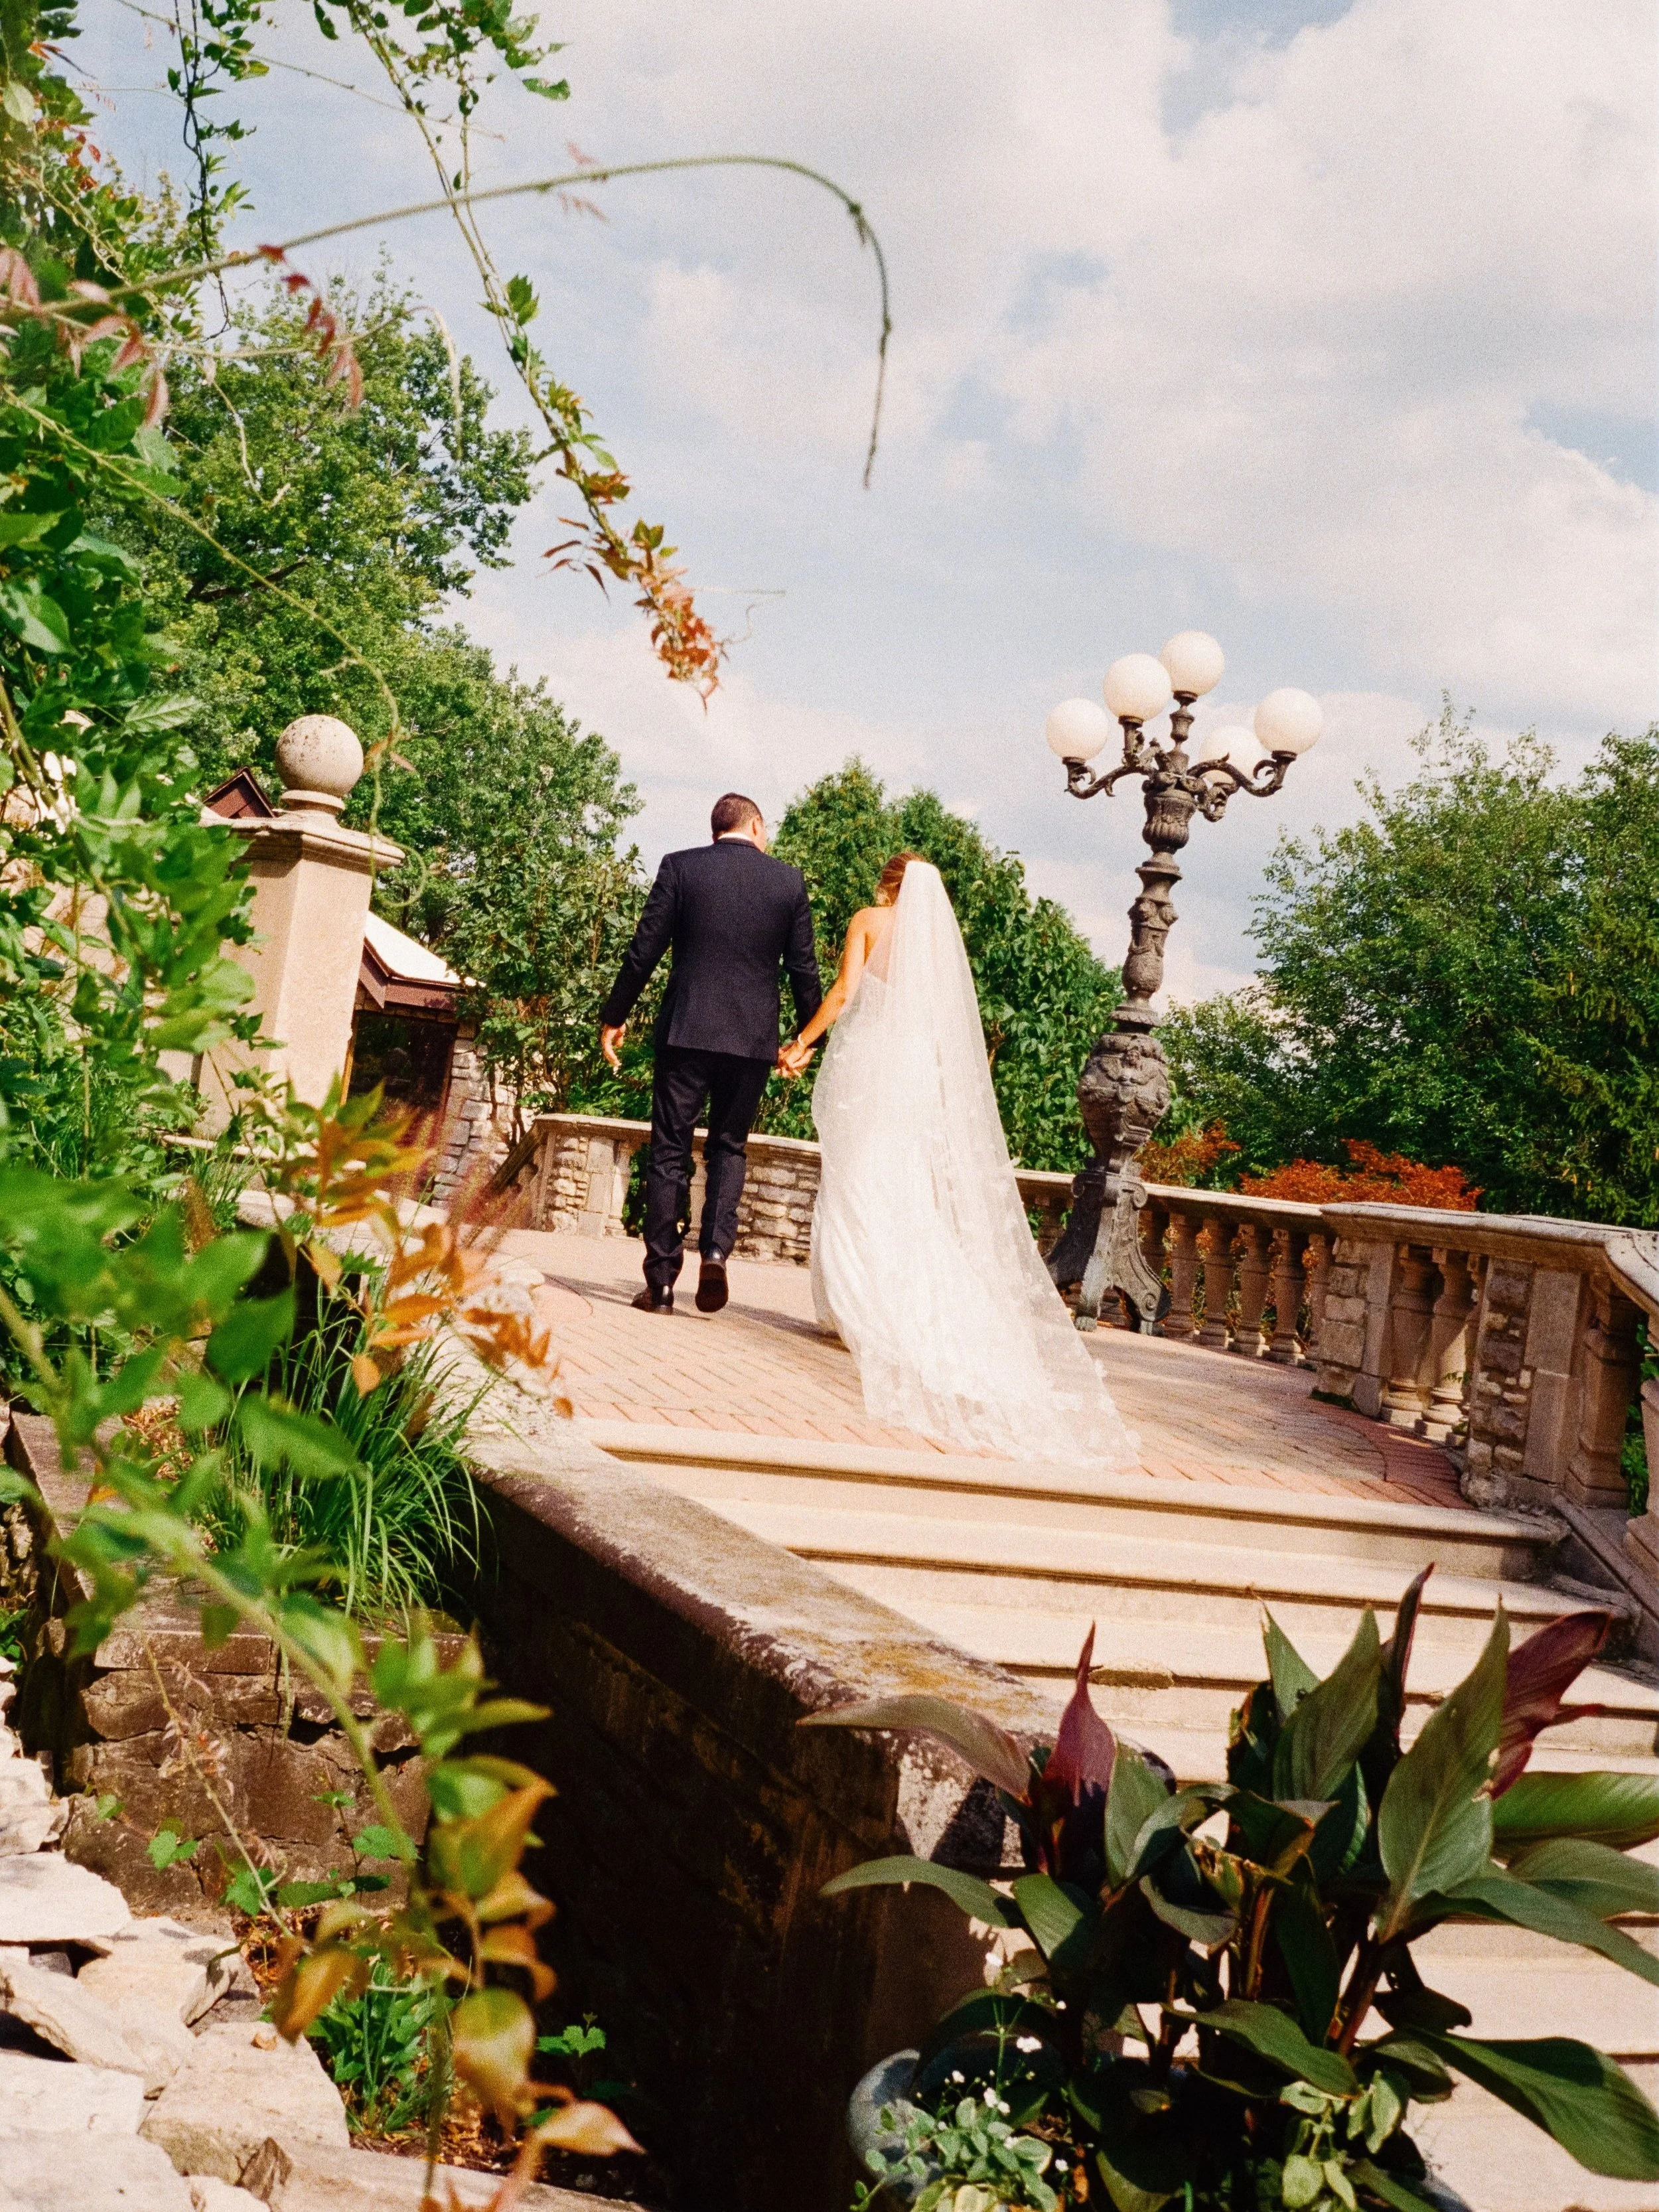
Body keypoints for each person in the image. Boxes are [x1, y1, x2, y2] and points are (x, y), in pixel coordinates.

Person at [778, 852, 1137, 1467]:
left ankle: (860, 1307)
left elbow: (843, 991)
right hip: (914, 1073)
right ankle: (894, 1304)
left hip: (870, 1064)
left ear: (887, 885)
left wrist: (800, 1042)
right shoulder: (934, 951)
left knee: (858, 1177)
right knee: (901, 1185)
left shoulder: (869, 920)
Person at [600, 793, 822, 1315]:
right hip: (751, 1041)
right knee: (729, 1147)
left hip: (686, 1031)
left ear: (717, 829)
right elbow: (804, 970)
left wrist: (614, 1013)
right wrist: (806, 1040)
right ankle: (716, 1250)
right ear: (756, 826)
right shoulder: (787, 882)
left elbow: (644, 949)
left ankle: (660, 1283)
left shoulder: (681, 867)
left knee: (670, 1150)